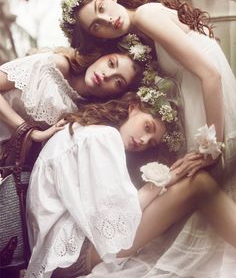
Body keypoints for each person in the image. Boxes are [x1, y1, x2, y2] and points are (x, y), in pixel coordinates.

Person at [59, 0, 236, 277]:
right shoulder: (139, 35)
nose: (106, 20)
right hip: (208, 117)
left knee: (208, 198)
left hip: (214, 120)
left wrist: (211, 145)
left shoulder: (146, 15)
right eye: (96, 26)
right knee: (205, 204)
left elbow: (211, 76)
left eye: (101, 8)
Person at [25, 91, 236, 278]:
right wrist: (169, 177)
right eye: (147, 127)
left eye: (151, 141)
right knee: (198, 184)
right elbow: (117, 223)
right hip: (73, 254)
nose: (144, 140)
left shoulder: (83, 130)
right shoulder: (103, 136)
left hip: (58, 254)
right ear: (133, 107)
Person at [0, 25, 152, 148]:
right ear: (102, 56)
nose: (107, 74)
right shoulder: (56, 65)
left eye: (118, 82)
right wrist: (31, 132)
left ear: (118, 93)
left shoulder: (87, 113)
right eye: (111, 63)